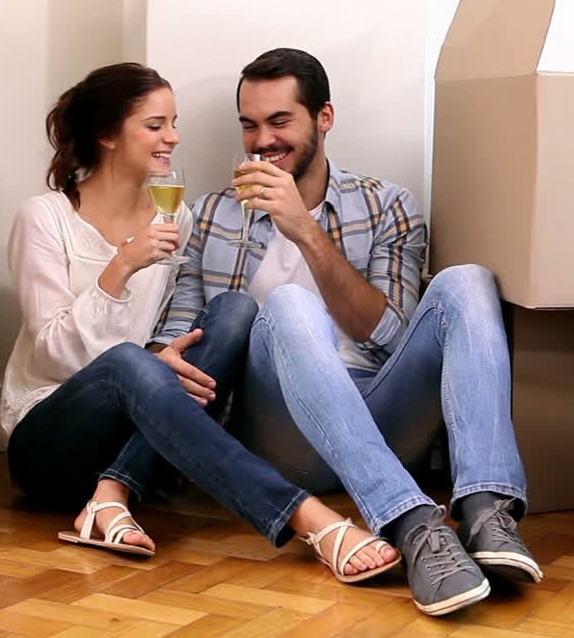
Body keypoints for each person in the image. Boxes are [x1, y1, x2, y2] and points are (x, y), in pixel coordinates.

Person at [152, 48, 541, 616]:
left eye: (280, 122)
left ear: (324, 118)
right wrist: (166, 356)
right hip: (280, 434)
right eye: (250, 125)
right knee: (288, 305)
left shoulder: (388, 207)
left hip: (383, 418)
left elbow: (388, 337)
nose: (262, 141)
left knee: (467, 281)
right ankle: (411, 522)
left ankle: (486, 509)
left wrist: (304, 230)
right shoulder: (212, 214)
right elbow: (178, 336)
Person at [0, 62, 399, 582]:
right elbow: (53, 351)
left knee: (235, 310)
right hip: (49, 440)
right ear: (106, 135)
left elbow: (172, 326)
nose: (174, 137)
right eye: (155, 125)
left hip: (136, 426)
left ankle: (111, 493)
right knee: (127, 362)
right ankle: (308, 517)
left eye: (174, 122)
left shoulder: (175, 216)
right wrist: (122, 267)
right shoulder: (45, 218)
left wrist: (161, 359)